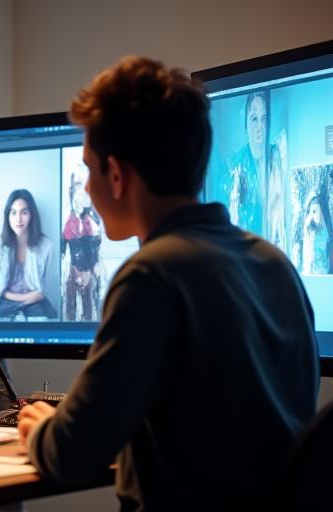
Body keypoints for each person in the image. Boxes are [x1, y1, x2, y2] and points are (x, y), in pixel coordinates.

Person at [17, 56, 319, 510]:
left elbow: (71, 455)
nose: (87, 192)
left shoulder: (152, 274)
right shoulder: (274, 264)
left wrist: (40, 430)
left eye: (88, 171)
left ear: (116, 175)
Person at [0, 189, 57, 320]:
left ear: (32, 215)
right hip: (7, 300)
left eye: (24, 212)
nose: (18, 219)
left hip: (36, 302)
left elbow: (43, 291)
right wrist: (25, 298)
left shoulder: (47, 246)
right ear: (7, 216)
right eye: (13, 213)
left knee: (42, 326)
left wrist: (33, 298)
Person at [61, 169, 102, 321]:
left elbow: (94, 247)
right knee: (69, 304)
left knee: (89, 306)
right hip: (73, 268)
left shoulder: (93, 220)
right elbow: (64, 246)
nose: (79, 191)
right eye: (76, 185)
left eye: (83, 185)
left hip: (90, 269)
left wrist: (91, 270)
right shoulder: (68, 220)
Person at [228, 91, 268, 235]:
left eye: (264, 119)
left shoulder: (275, 157)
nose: (259, 127)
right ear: (246, 124)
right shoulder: (235, 164)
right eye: (254, 118)